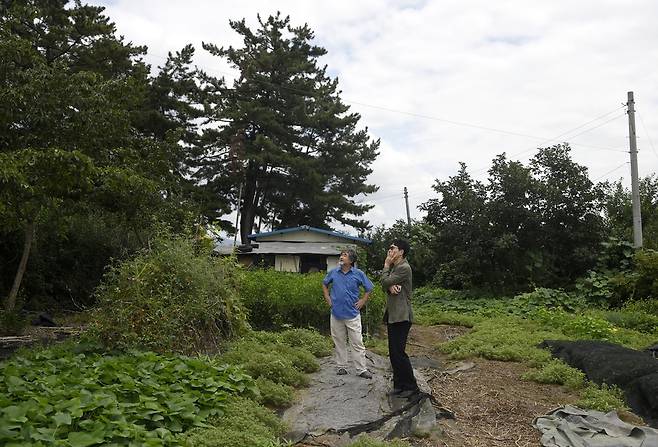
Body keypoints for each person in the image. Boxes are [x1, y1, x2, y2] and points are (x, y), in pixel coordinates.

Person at [323, 248, 374, 378]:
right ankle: (341, 367)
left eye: (344, 255)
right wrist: (328, 299)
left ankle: (361, 369)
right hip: (336, 313)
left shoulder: (358, 274)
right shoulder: (333, 272)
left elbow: (369, 288)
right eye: (341, 255)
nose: (341, 257)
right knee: (339, 340)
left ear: (351, 260)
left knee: (357, 342)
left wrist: (363, 301)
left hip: (352, 313)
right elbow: (324, 284)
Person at [381, 239, 418, 397]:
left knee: (399, 352)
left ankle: (410, 386)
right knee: (393, 352)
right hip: (394, 314)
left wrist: (386, 266)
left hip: (402, 316)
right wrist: (389, 287)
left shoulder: (403, 267)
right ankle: (399, 385)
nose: (390, 251)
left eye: (393, 248)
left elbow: (384, 281)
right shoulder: (397, 268)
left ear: (401, 251)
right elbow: (387, 285)